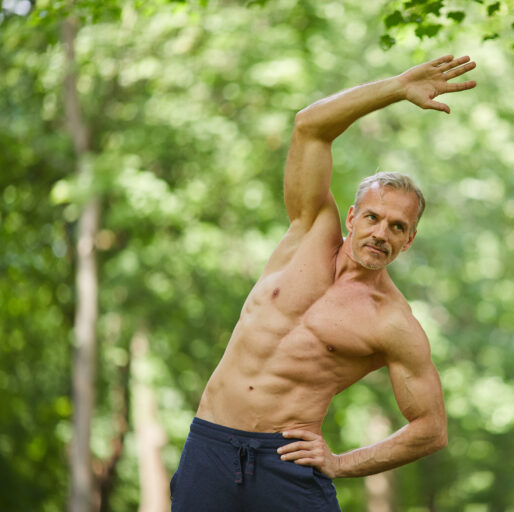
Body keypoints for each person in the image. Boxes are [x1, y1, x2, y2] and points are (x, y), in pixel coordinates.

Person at [170, 54, 477, 511]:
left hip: (287, 464)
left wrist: (340, 463)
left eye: (397, 227)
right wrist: (397, 87)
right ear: (352, 217)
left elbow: (431, 429)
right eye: (373, 217)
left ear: (409, 240)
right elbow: (310, 126)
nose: (381, 233)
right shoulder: (310, 229)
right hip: (210, 447)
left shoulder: (392, 322)